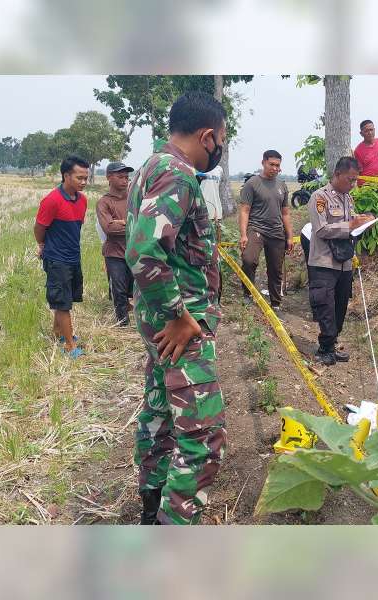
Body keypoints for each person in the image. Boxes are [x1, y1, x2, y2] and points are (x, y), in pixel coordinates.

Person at [125, 90, 227, 525]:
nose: (220, 148)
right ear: (208, 136)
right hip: (179, 327)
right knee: (203, 438)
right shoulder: (178, 174)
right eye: (221, 139)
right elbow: (145, 250)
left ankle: (152, 507)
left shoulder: (149, 166)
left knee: (161, 413)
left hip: (158, 324)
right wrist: (180, 316)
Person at [307, 156, 374, 366]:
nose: (353, 184)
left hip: (344, 261)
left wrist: (363, 222)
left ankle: (333, 344)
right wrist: (351, 225)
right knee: (325, 306)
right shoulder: (319, 198)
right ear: (337, 174)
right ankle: (324, 348)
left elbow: (351, 223)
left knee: (340, 306)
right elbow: (321, 229)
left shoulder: (348, 199)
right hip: (324, 262)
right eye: (349, 179)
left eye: (355, 180)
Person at [34, 155, 89, 359]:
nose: (84, 182)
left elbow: (76, 228)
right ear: (66, 176)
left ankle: (58, 333)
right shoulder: (52, 200)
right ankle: (69, 345)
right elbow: (39, 228)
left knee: (65, 299)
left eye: (86, 178)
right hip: (57, 260)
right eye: (79, 178)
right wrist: (42, 245)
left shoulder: (83, 200)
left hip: (74, 257)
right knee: (63, 303)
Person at [238, 150, 293, 310]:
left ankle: (275, 303)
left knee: (275, 269)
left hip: (276, 232)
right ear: (263, 163)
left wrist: (289, 236)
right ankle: (248, 293)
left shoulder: (282, 185)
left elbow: (286, 213)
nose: (275, 168)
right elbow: (244, 210)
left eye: (278, 166)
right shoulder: (252, 184)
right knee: (249, 260)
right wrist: (243, 235)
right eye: (272, 164)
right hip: (256, 228)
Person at [97, 161, 135, 326]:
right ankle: (122, 322)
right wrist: (131, 223)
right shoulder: (104, 202)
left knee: (136, 289)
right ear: (109, 178)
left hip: (135, 250)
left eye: (126, 177)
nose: (125, 180)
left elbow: (145, 222)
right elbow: (109, 228)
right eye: (120, 176)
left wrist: (121, 222)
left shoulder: (135, 198)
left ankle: (141, 321)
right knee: (118, 290)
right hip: (114, 253)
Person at [353, 119, 378, 184]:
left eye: (371, 130)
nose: (370, 133)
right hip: (366, 186)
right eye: (366, 131)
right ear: (361, 134)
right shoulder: (358, 150)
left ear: (374, 130)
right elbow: (359, 171)